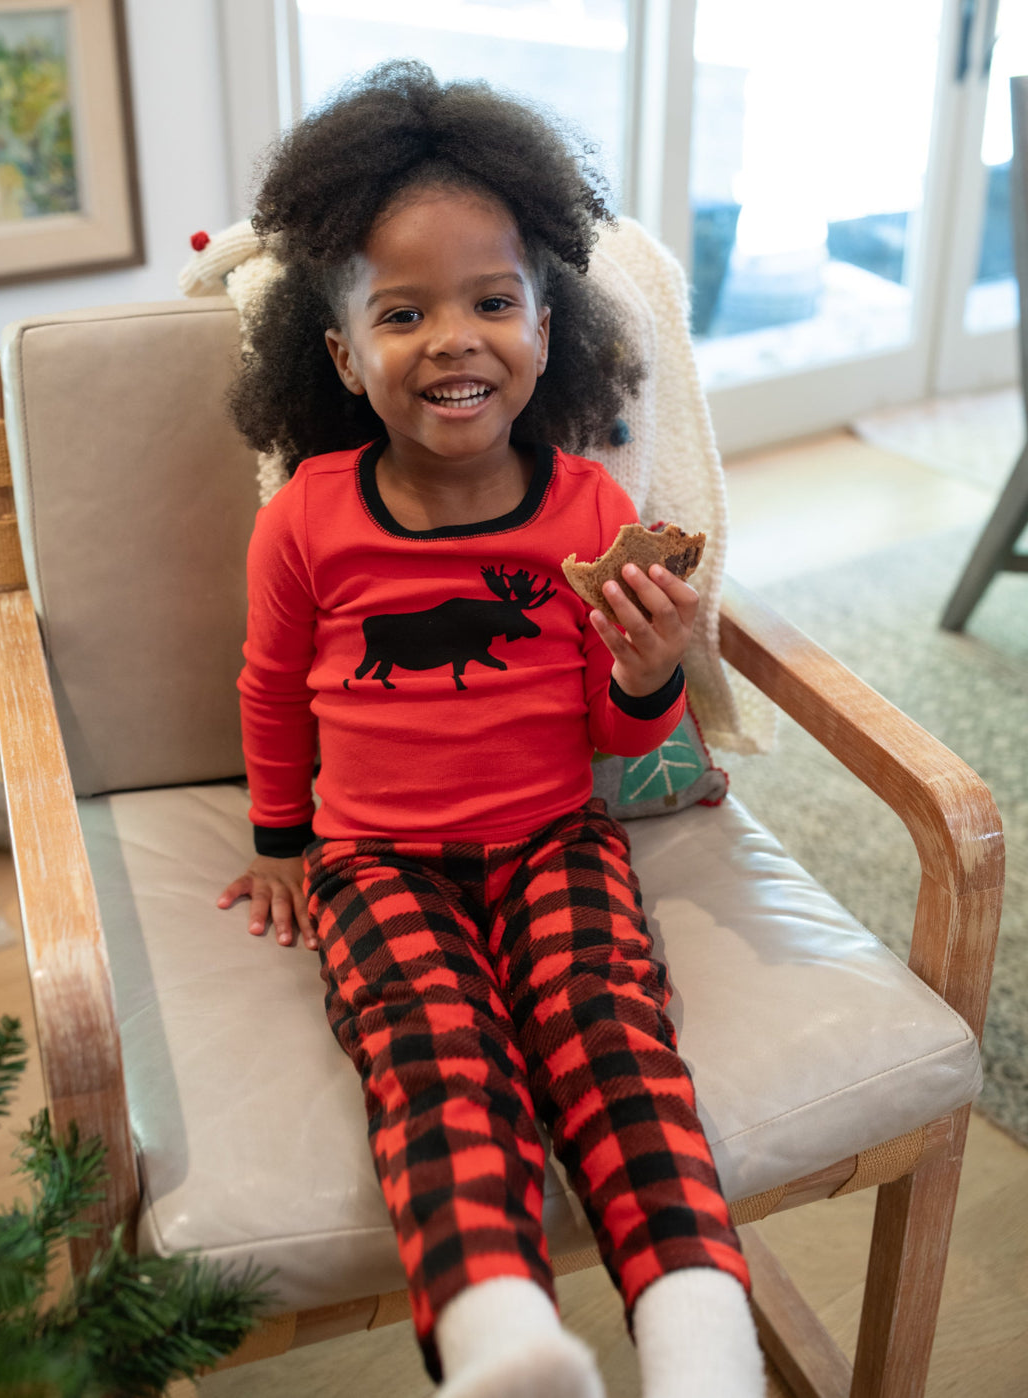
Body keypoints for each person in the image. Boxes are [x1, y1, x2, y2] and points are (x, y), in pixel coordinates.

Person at [217, 60, 763, 1398]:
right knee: (433, 1051)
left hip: (554, 837)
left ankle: (702, 1344)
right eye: (404, 312)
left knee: (614, 1031)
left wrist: (648, 671)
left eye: (490, 300)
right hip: (374, 860)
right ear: (342, 356)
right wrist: (281, 838)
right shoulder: (306, 520)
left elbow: (623, 736)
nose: (453, 336)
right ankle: (500, 1334)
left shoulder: (588, 515)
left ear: (545, 325)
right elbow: (272, 688)